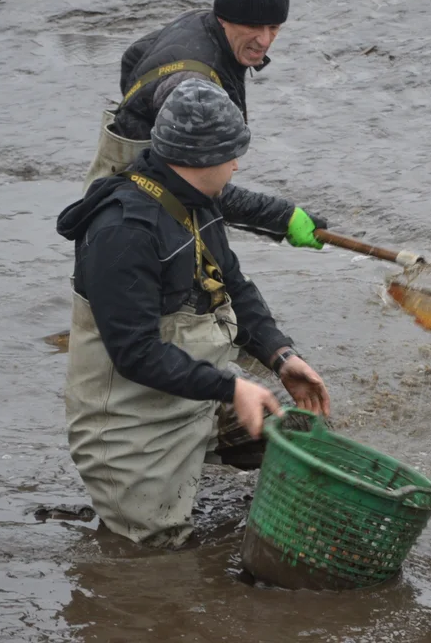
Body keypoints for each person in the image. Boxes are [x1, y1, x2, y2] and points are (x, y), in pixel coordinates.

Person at [58, 78, 331, 549]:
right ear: (199, 158)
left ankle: (215, 467)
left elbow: (237, 289)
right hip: (128, 428)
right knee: (159, 558)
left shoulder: (197, 203)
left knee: (301, 433)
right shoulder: (123, 231)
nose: (237, 164)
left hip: (192, 400)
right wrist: (232, 385)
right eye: (231, 154)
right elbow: (136, 352)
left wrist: (282, 357)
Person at [84, 0, 326, 251]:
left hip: (130, 195)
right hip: (132, 221)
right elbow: (201, 187)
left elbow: (134, 55)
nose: (264, 40)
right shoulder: (191, 85)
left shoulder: (200, 25)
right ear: (224, 17)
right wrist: (283, 217)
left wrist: (143, 114)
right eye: (252, 26)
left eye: (274, 27)